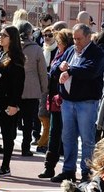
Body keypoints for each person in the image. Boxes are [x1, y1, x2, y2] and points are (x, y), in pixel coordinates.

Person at [49, 23, 104, 183]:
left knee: (87, 139)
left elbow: (91, 71)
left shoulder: (97, 52)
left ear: (88, 37)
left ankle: (87, 172)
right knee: (68, 137)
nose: (76, 42)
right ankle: (68, 170)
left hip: (86, 102)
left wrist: (70, 70)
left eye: (79, 39)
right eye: (74, 38)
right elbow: (54, 68)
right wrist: (60, 68)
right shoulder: (69, 50)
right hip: (67, 102)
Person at [0, 25, 24, 176]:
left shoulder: (16, 58)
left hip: (8, 101)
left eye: (4, 35)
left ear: (12, 39)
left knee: (7, 135)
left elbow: (19, 84)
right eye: (0, 34)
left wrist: (15, 104)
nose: (0, 37)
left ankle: (6, 166)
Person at [38, 28, 72, 180]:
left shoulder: (69, 54)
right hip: (54, 98)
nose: (57, 44)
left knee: (63, 133)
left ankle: (66, 169)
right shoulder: (59, 54)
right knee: (54, 132)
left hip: (64, 99)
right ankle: (49, 167)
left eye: (59, 41)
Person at [17, 21, 47, 157]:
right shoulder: (36, 49)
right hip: (32, 89)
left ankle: (10, 143)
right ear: (30, 33)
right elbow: (42, 72)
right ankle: (25, 147)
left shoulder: (13, 47)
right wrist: (44, 88)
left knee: (12, 119)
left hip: (14, 89)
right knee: (29, 121)